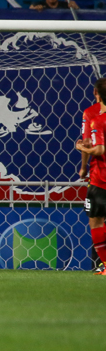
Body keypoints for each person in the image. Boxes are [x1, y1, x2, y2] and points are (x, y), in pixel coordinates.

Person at [76, 79, 106, 275]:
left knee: (96, 221)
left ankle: (103, 264)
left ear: (96, 93)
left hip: (100, 177)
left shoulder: (94, 116)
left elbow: (92, 145)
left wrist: (83, 166)